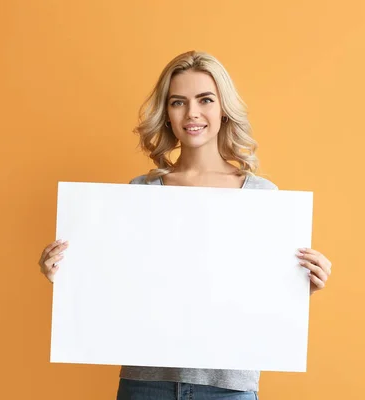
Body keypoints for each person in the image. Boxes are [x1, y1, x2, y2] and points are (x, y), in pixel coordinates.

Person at [38, 50, 332, 400]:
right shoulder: (141, 192)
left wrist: (298, 287)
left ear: (223, 109)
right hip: (146, 384)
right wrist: (65, 274)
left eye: (205, 99)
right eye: (178, 102)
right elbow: (116, 280)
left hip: (227, 387)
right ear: (167, 115)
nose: (192, 113)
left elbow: (256, 290)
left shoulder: (262, 196)